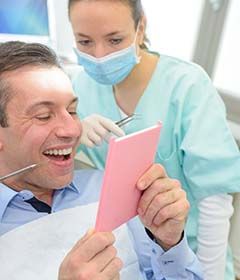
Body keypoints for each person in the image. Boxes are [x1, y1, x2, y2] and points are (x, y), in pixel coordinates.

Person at [0, 41, 203, 280]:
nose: (73, 130)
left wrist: (169, 244)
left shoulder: (108, 188)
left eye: (73, 111)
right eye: (44, 116)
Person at [68, 0, 240, 279]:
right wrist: (75, 134)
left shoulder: (187, 87)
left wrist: (209, 275)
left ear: (140, 27)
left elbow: (215, 203)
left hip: (191, 252)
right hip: (128, 253)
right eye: (85, 41)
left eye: (114, 40)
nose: (99, 55)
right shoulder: (81, 87)